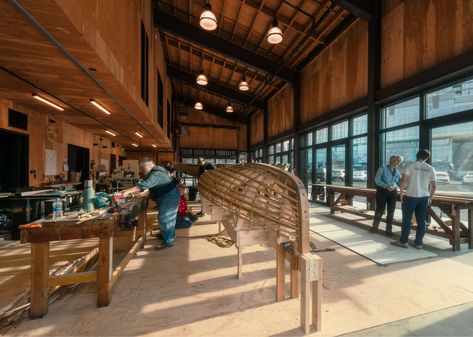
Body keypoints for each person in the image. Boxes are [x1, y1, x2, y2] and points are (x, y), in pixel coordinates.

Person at [122, 158, 180, 250]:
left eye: (142, 168)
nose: (141, 170)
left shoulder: (156, 174)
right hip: (167, 195)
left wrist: (127, 192)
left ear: (149, 165)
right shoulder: (158, 169)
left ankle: (168, 241)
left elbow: (145, 184)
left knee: (165, 219)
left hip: (169, 196)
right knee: (165, 218)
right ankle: (166, 234)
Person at [391, 149, 437, 249]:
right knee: (421, 220)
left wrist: (402, 194)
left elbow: (403, 181)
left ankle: (404, 242)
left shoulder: (410, 165)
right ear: (427, 158)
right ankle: (419, 243)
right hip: (424, 197)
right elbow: (434, 186)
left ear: (417, 155)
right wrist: (430, 198)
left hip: (410, 196)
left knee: (407, 220)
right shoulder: (430, 168)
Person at [370, 155, 403, 236]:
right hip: (382, 191)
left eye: (399, 162)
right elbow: (377, 180)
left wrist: (406, 182)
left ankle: (389, 229)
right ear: (391, 160)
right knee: (380, 210)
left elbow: (399, 183)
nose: (398, 163)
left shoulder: (397, 172)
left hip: (393, 192)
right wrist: (386, 186)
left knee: (391, 211)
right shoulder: (383, 168)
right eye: (397, 161)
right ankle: (375, 227)